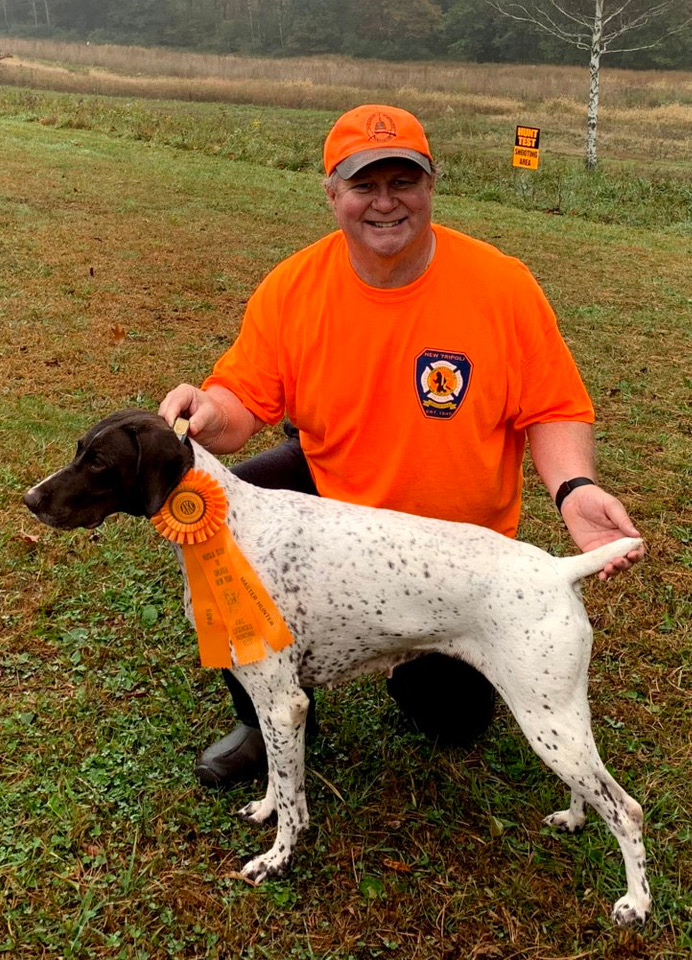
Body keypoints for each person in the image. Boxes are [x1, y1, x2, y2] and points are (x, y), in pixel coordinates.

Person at [159, 104, 644, 787]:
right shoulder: (293, 289)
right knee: (225, 537)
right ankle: (260, 717)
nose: (385, 202)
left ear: (431, 186)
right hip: (336, 506)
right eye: (365, 184)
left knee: (450, 721)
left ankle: (410, 656)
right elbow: (242, 401)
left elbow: (555, 407)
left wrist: (575, 488)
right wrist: (206, 412)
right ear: (333, 195)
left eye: (404, 181)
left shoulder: (501, 286)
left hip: (452, 550)